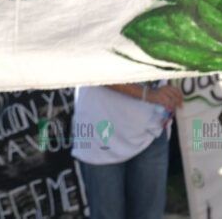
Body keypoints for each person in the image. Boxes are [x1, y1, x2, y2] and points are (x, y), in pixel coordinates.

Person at [71, 81, 183, 218]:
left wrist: (173, 91)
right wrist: (148, 94)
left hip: (152, 129)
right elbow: (92, 68)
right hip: (101, 135)